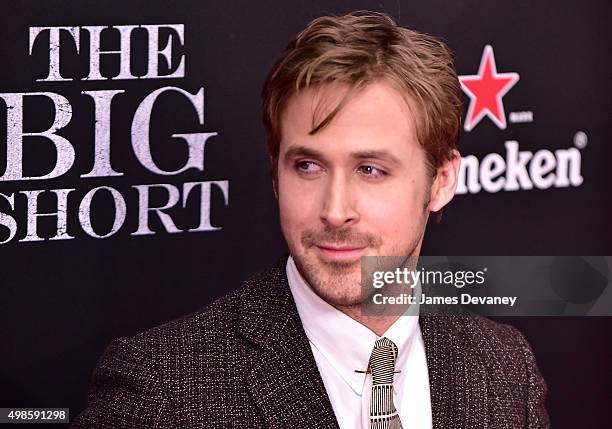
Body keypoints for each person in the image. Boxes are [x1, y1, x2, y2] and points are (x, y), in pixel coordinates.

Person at [72, 11, 549, 429]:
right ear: (276, 171)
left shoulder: (503, 366)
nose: (335, 210)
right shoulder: (162, 389)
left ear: (442, 181)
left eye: (370, 170)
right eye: (308, 166)